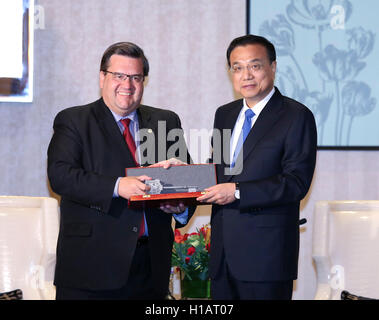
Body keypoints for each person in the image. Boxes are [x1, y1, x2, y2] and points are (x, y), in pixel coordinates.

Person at [47, 42, 194, 300]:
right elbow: (61, 176)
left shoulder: (165, 121)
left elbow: (186, 181)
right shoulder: (74, 120)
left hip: (150, 267)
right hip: (91, 268)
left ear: (143, 81)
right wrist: (117, 186)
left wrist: (180, 206)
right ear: (102, 77)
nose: (127, 84)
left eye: (136, 77)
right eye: (119, 76)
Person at [197, 35, 317, 300]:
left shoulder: (296, 116)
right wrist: (179, 175)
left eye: (255, 65)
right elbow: (218, 171)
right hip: (223, 256)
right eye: (237, 67)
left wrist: (237, 191)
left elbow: (296, 182)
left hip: (267, 259)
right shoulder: (224, 114)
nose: (246, 75)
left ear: (272, 67)